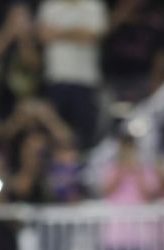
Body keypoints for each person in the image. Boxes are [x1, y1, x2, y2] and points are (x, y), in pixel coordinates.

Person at [37, 0, 108, 148]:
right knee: (55, 136)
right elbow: (44, 35)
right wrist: (77, 32)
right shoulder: (50, 5)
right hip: (56, 79)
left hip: (85, 80)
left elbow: (92, 37)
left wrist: (58, 32)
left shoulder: (93, 6)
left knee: (85, 137)